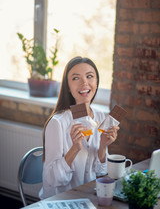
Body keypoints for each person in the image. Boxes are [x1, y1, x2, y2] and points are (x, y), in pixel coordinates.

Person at [39, 56, 119, 199]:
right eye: (76, 78)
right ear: (68, 87)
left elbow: (101, 173)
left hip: (89, 197)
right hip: (60, 201)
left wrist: (103, 146)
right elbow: (52, 180)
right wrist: (75, 148)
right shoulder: (57, 123)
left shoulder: (101, 117)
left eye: (90, 76)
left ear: (97, 82)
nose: (84, 83)